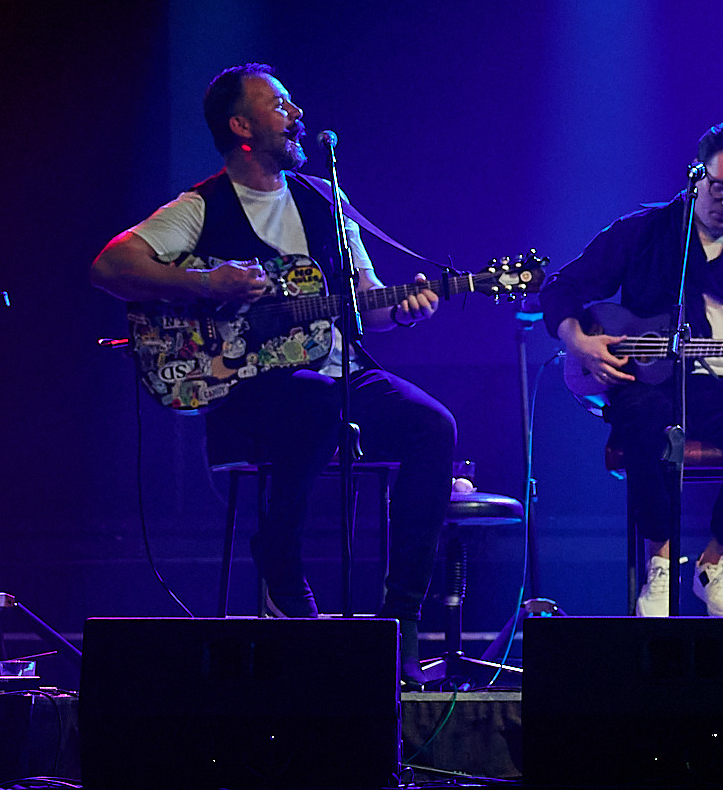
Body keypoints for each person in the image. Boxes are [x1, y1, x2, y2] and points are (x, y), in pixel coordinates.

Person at [91, 64, 457, 679]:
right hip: (249, 389)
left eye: (292, 104)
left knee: (433, 426)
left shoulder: (323, 198)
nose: (296, 115)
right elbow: (110, 264)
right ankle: (280, 562)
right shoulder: (199, 207)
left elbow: (368, 303)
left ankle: (400, 622)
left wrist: (406, 308)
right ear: (240, 126)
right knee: (314, 401)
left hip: (340, 372)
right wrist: (205, 283)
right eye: (280, 105)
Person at [543, 120, 723, 618]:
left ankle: (715, 562)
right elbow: (562, 286)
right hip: (653, 390)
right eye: (719, 187)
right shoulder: (645, 231)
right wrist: (577, 340)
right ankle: (661, 562)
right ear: (696, 177)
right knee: (644, 418)